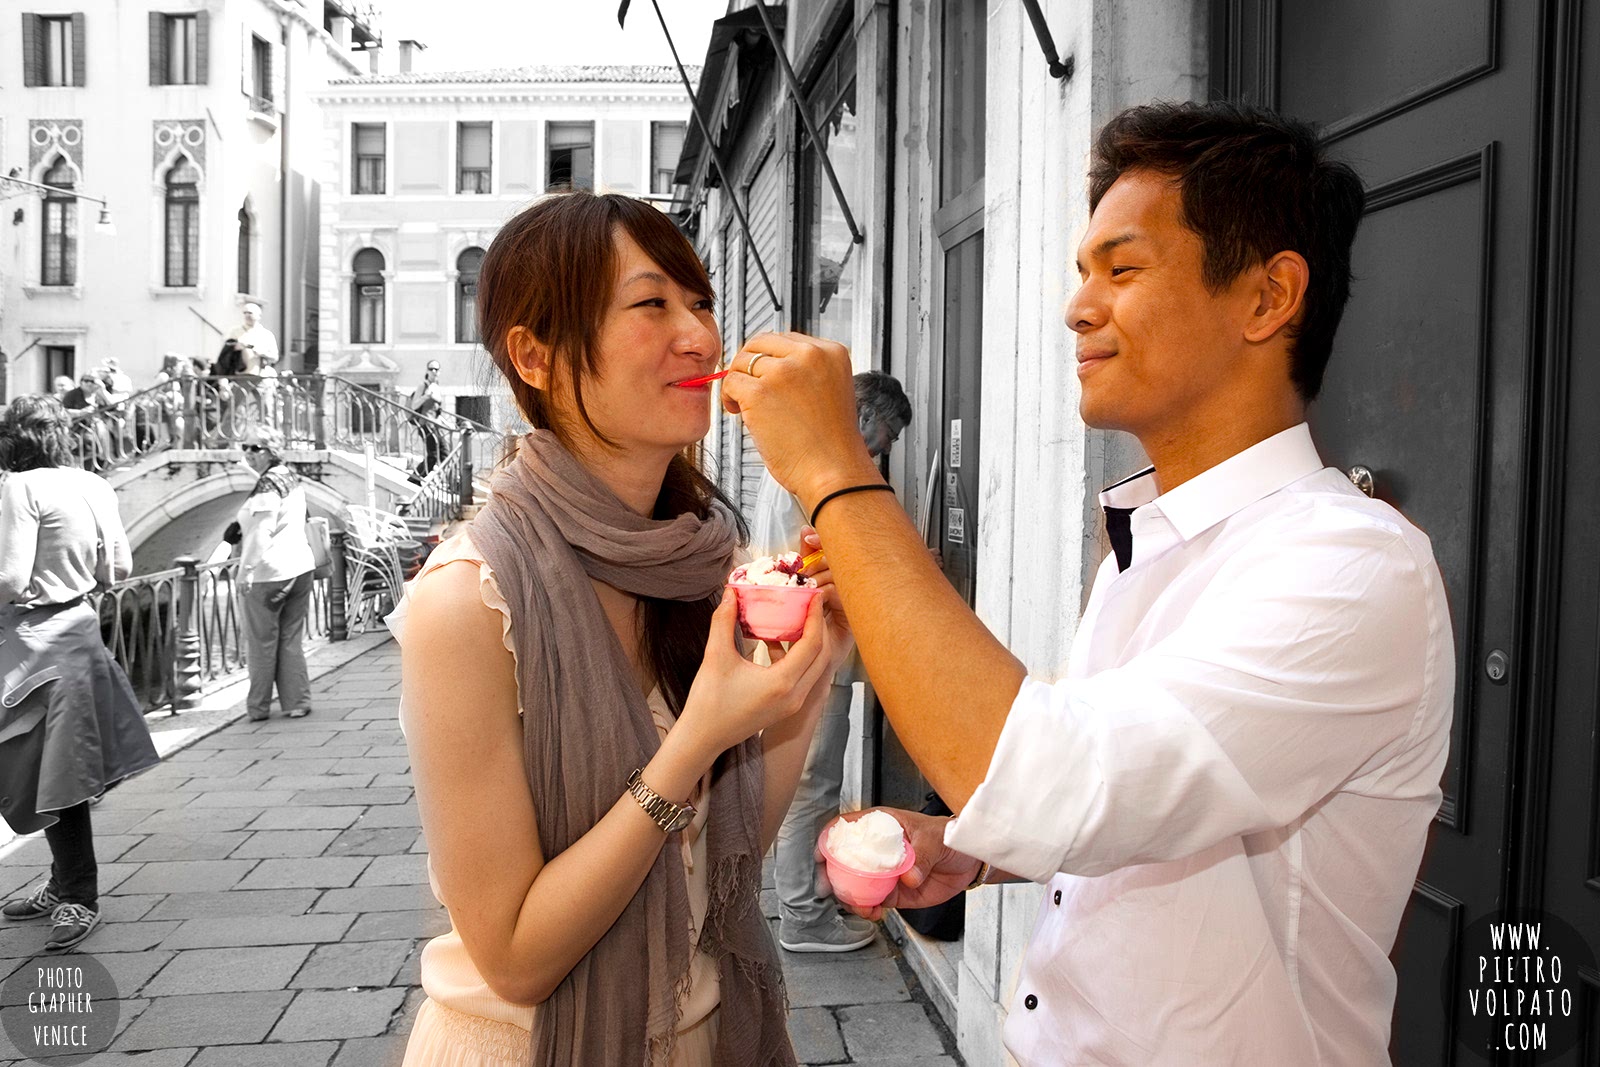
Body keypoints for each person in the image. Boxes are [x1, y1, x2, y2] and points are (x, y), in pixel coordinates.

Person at [722, 101, 1453, 1064]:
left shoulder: (1353, 568)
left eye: (1123, 267)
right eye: (1081, 271)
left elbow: (1049, 777)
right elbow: (1121, 791)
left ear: (1269, 298)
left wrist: (837, 472)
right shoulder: (1142, 547)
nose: (1078, 305)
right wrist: (969, 849)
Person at [388, 191, 849, 1066]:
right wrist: (695, 739)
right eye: (652, 305)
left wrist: (812, 661)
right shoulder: (466, 599)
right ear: (535, 355)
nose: (701, 336)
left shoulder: (703, 562)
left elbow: (725, 861)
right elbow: (518, 956)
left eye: (701, 302)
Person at [0, 396, 159, 952]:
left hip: (31, 642)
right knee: (55, 770)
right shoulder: (93, 484)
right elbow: (118, 569)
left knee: (44, 772)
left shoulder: (18, 488)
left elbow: (11, 580)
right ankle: (66, 883)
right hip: (81, 633)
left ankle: (79, 896)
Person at [760, 370, 910, 954]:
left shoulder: (796, 459)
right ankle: (803, 916)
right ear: (862, 416)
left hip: (795, 641)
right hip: (814, 646)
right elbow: (838, 557)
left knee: (806, 779)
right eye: (888, 431)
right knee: (814, 783)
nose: (887, 447)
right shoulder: (827, 473)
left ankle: (803, 901)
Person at [236, 428, 316, 721]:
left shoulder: (268, 485)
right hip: (301, 566)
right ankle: (297, 702)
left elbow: (263, 530)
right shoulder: (289, 477)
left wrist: (245, 571)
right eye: (244, 447)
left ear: (269, 451)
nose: (247, 453)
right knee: (290, 638)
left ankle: (258, 708)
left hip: (270, 573)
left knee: (261, 642)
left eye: (253, 448)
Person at [409, 359, 446, 480]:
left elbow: (437, 411)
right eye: (431, 369)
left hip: (434, 424)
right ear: (427, 371)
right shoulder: (423, 385)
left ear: (439, 372)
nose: (434, 371)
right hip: (424, 424)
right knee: (434, 455)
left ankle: (454, 483)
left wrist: (447, 423)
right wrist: (426, 396)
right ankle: (414, 479)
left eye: (436, 369)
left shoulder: (437, 387)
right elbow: (414, 406)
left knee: (443, 453)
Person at [227, 301, 279, 374]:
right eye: (245, 313)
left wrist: (262, 353)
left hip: (261, 377)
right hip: (239, 375)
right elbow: (225, 353)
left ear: (259, 315)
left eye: (250, 313)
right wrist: (236, 347)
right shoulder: (234, 332)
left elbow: (275, 357)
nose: (247, 315)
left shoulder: (267, 335)